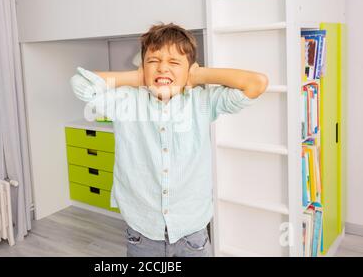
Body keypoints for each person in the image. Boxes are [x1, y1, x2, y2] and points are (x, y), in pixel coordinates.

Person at [70, 23, 268, 257]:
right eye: (153, 61)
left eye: (174, 62)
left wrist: (198, 75)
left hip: (192, 231)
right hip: (142, 230)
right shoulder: (126, 101)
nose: (163, 68)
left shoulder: (202, 101)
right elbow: (81, 84)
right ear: (143, 66)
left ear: (189, 70)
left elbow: (257, 83)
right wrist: (137, 78)